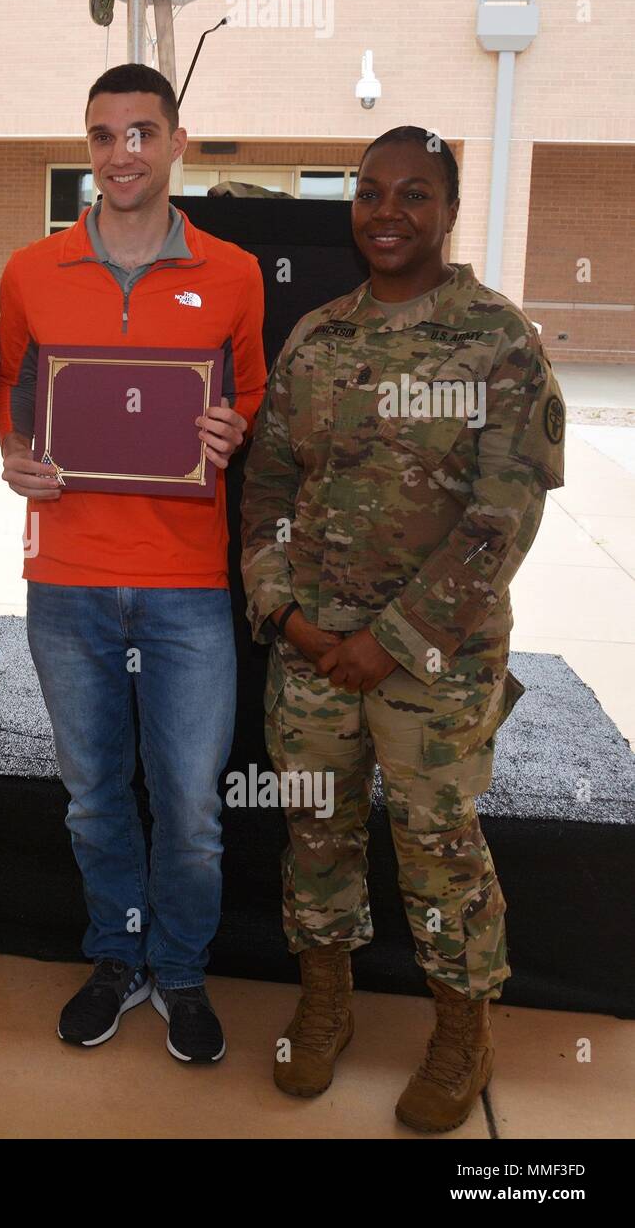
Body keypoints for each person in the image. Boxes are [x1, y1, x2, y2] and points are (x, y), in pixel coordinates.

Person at [241, 125, 566, 1132]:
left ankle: (462, 1030)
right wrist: (286, 613)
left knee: (437, 844)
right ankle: (326, 1000)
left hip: (438, 663)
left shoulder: (498, 341)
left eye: (413, 193)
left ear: (449, 206)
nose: (388, 212)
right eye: (372, 192)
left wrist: (393, 638)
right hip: (310, 650)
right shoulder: (317, 337)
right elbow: (266, 490)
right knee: (315, 829)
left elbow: (501, 520)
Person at [0, 64, 267, 1062]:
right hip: (64, 579)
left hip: (188, 585)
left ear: (176, 141)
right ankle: (116, 952)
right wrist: (14, 452)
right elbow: (12, 387)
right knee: (94, 792)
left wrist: (232, 429)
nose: (123, 154)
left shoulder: (233, 274)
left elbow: (250, 402)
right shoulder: (30, 269)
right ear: (88, 146)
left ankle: (183, 972)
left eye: (142, 133)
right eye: (104, 135)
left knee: (191, 805)